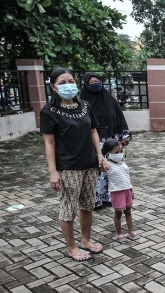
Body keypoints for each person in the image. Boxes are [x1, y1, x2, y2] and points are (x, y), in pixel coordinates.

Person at [40, 68, 110, 261]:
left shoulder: (85, 106)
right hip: (68, 167)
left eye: (70, 81)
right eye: (62, 83)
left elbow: (93, 132)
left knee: (87, 205)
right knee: (68, 207)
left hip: (89, 164)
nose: (68, 85)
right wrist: (53, 171)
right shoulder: (49, 111)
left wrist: (100, 156)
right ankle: (71, 247)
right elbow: (49, 143)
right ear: (54, 87)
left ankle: (85, 241)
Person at [80, 72, 132, 209]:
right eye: (91, 83)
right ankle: (96, 200)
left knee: (113, 169)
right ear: (85, 85)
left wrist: (124, 137)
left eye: (97, 81)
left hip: (112, 142)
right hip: (93, 142)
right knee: (97, 171)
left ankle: (112, 197)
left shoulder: (110, 100)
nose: (95, 84)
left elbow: (120, 117)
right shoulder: (82, 104)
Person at [102, 138, 138, 242]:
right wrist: (103, 160)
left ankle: (131, 231)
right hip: (117, 192)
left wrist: (131, 190)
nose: (120, 154)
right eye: (116, 152)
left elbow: (127, 177)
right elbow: (99, 160)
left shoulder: (123, 164)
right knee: (118, 213)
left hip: (127, 190)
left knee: (128, 211)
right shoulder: (108, 166)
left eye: (121, 151)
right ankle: (119, 233)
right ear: (108, 153)